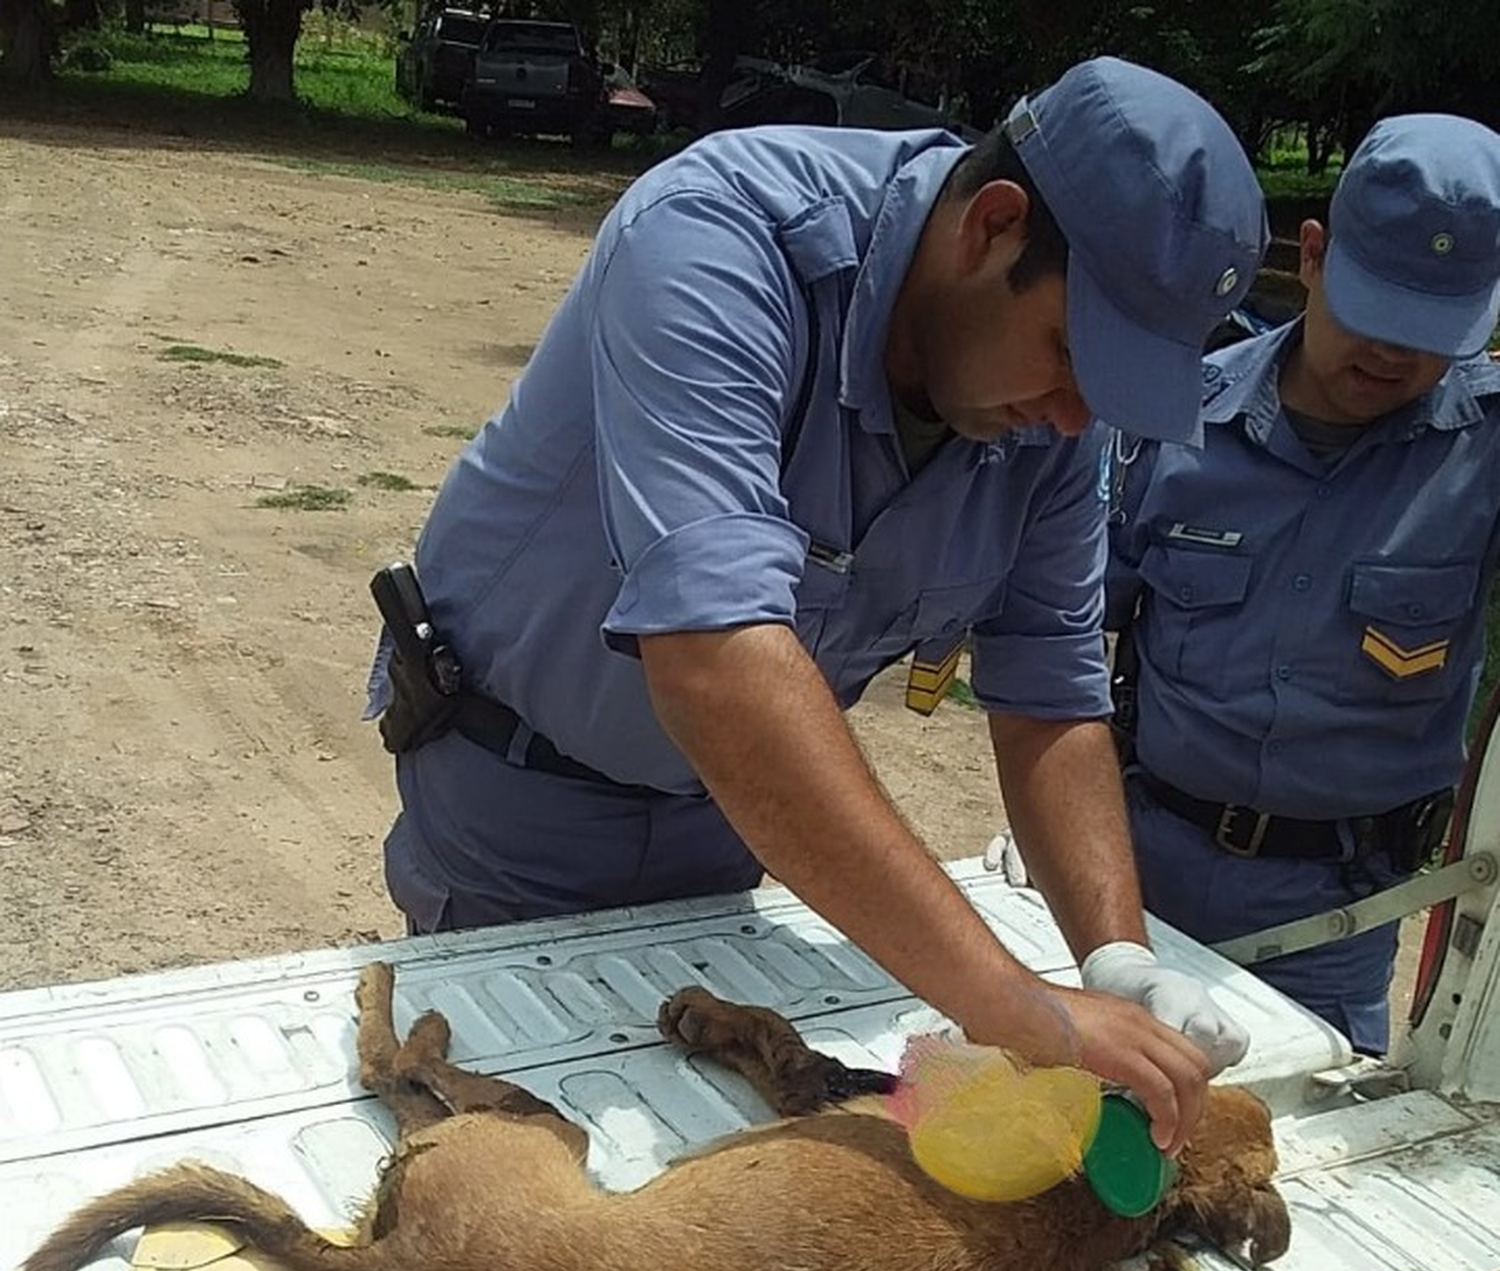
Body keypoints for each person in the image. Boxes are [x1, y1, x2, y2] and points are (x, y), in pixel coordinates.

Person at [367, 57, 1267, 1152]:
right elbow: (716, 659)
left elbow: (1053, 698)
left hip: (735, 819)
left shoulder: (1050, 414)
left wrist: (1118, 963)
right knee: (508, 1171)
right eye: (1077, 358)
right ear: (990, 225)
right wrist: (1009, 1002)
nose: (1079, 418)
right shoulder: (718, 239)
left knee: (700, 1149)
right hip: (521, 806)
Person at [1100, 113, 1500, 1056]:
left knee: (1296, 1168)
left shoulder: (1485, 454)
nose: (1394, 356)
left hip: (1336, 915)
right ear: (1311, 256)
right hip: (1138, 869)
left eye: (1430, 331)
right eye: (1374, 314)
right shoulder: (1176, 416)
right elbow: (1066, 640)